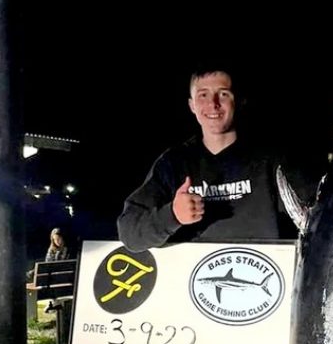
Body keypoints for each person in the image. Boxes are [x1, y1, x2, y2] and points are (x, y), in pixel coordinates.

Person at [116, 65, 309, 252]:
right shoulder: (174, 163)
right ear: (192, 105)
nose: (213, 104)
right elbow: (129, 233)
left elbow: (315, 214)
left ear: (239, 100)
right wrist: (172, 216)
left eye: (223, 94)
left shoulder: (271, 159)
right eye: (203, 95)